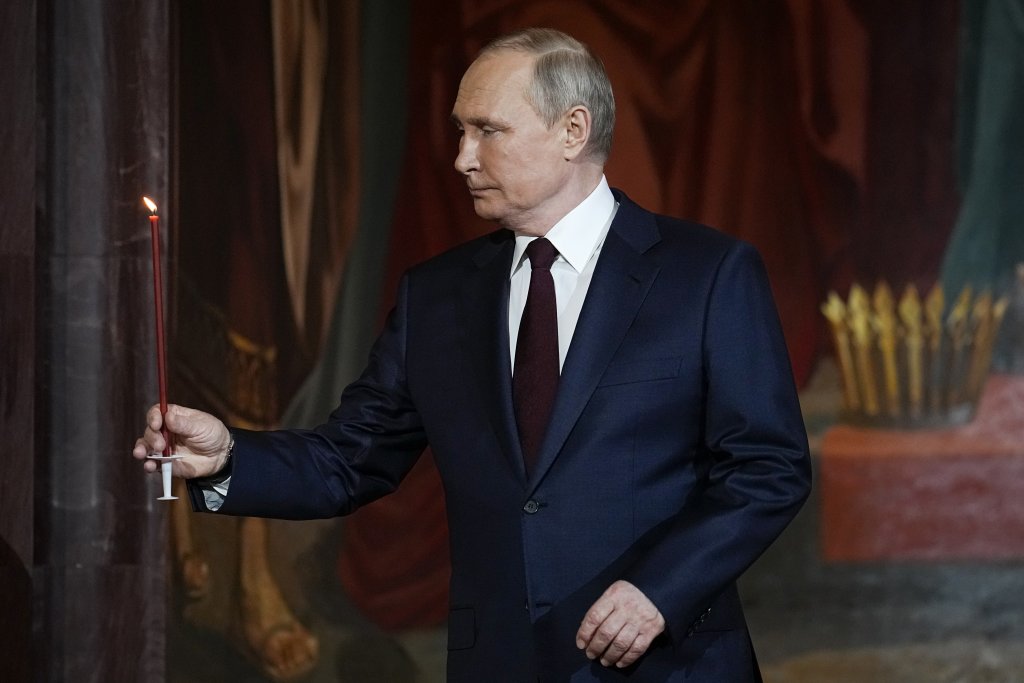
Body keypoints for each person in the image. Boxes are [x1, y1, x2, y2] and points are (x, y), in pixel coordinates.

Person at [134, 27, 811, 682]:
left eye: (488, 130)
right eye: (461, 131)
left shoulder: (706, 274)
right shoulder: (436, 296)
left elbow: (768, 466)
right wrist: (228, 457)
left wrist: (661, 589)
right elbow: (348, 460)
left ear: (573, 131)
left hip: (669, 664)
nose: (462, 157)